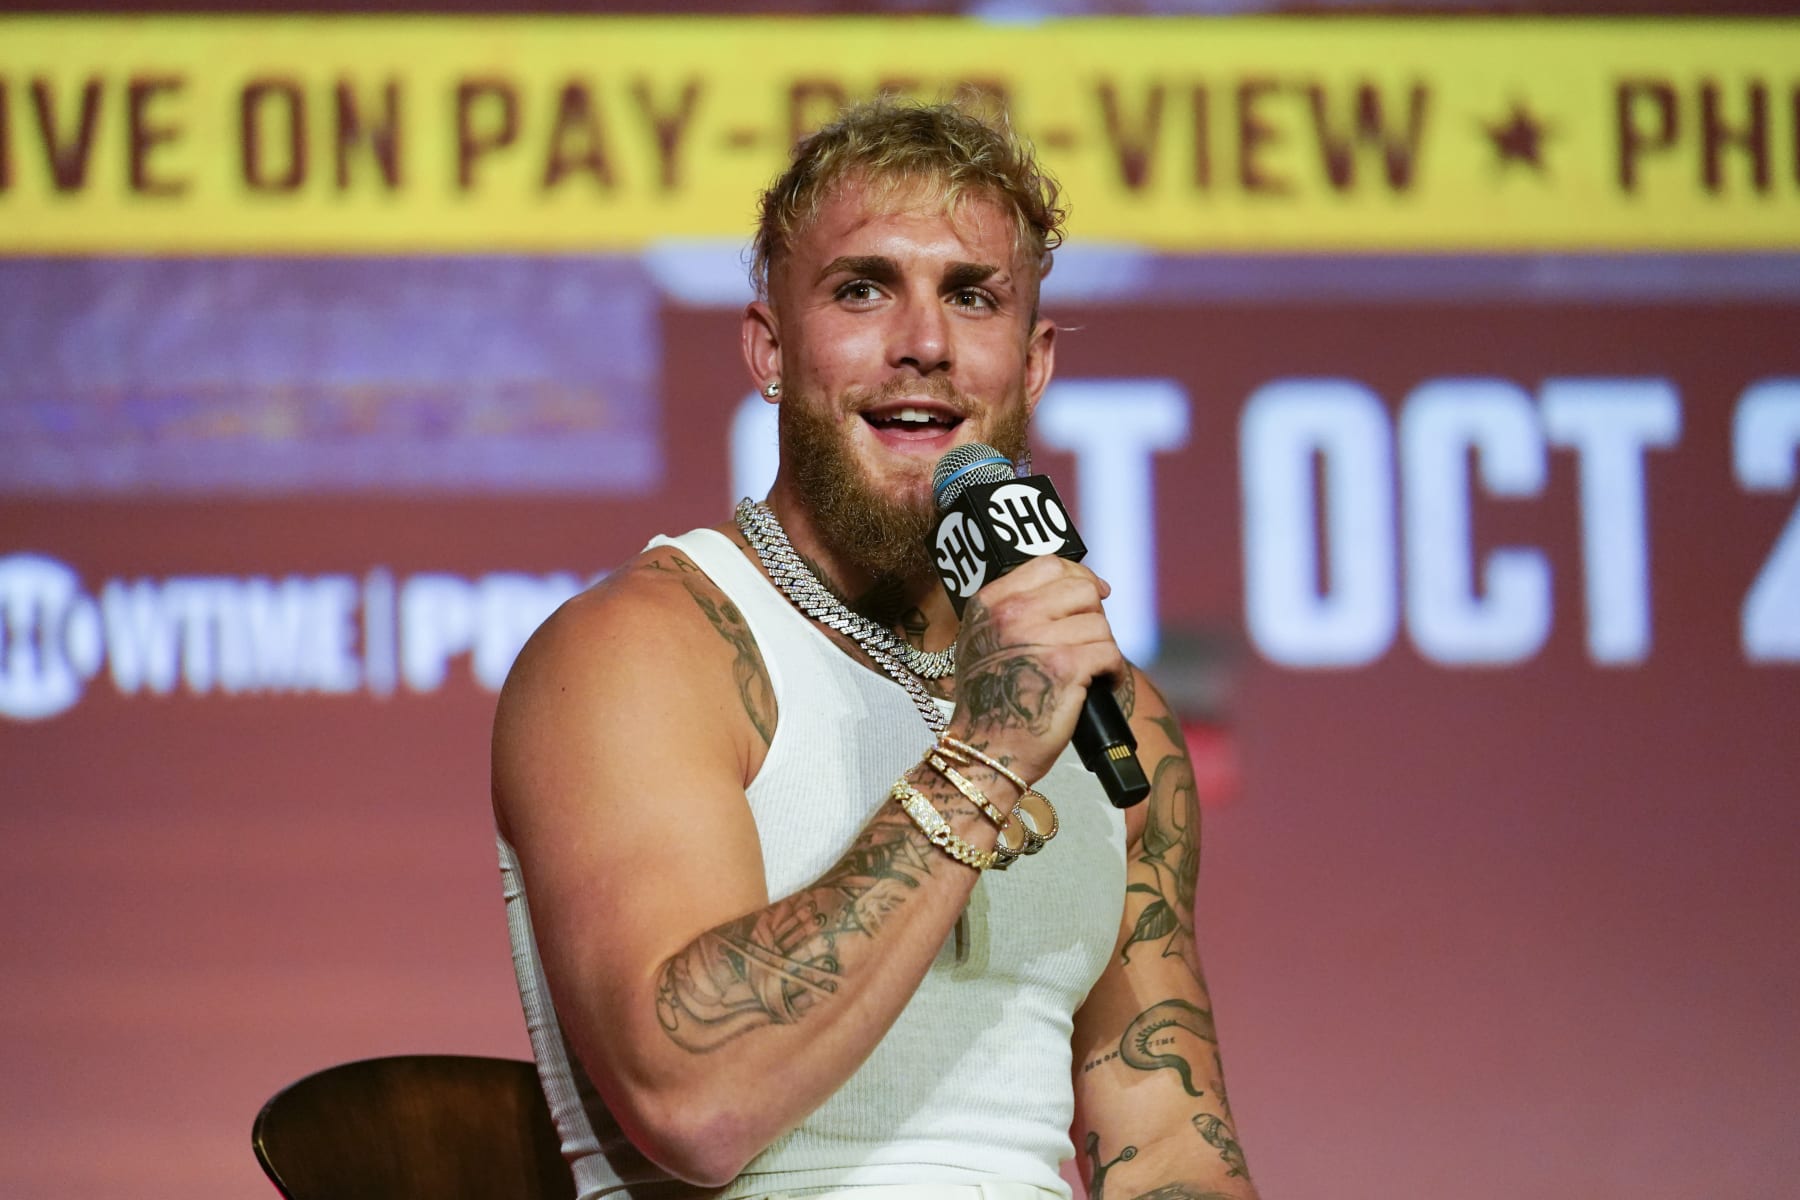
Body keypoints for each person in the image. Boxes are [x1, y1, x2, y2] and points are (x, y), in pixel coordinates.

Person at [493, 97, 1259, 1200]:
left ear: (1033, 366)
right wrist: (985, 754)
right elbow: (692, 1103)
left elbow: (1171, 1146)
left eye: (972, 297)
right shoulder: (640, 654)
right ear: (769, 350)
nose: (925, 345)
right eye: (863, 289)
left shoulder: (1111, 713)